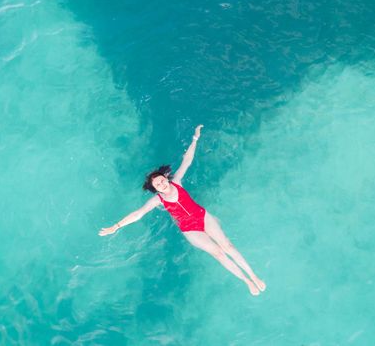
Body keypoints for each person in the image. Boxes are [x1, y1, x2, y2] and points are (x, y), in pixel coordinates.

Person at [99, 125, 266, 296]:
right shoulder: (158, 200)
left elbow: (187, 160)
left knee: (228, 246)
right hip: (190, 229)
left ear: (165, 178)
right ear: (156, 189)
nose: (161, 184)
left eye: (161, 180)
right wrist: (116, 226)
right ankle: (246, 281)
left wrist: (195, 138)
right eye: (157, 184)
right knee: (218, 253)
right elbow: (138, 213)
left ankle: (253, 276)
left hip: (201, 216)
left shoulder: (177, 181)